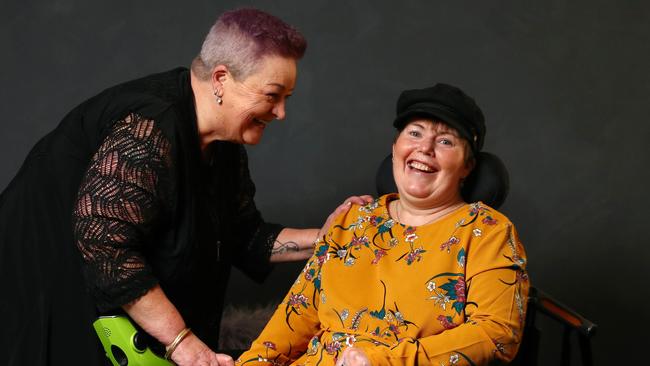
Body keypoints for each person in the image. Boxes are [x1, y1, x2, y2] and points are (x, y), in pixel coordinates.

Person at [0, 8, 370, 366]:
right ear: (221, 79)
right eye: (272, 95)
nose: (280, 113)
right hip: (41, 289)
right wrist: (183, 343)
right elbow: (105, 246)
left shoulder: (225, 143)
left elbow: (246, 237)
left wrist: (329, 237)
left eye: (286, 99)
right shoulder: (149, 127)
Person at [236, 83, 530, 365]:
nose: (425, 148)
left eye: (445, 141)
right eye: (414, 133)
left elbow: (497, 334)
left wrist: (380, 361)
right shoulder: (353, 220)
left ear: (467, 166)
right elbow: (293, 319)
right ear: (395, 147)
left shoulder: (488, 231)